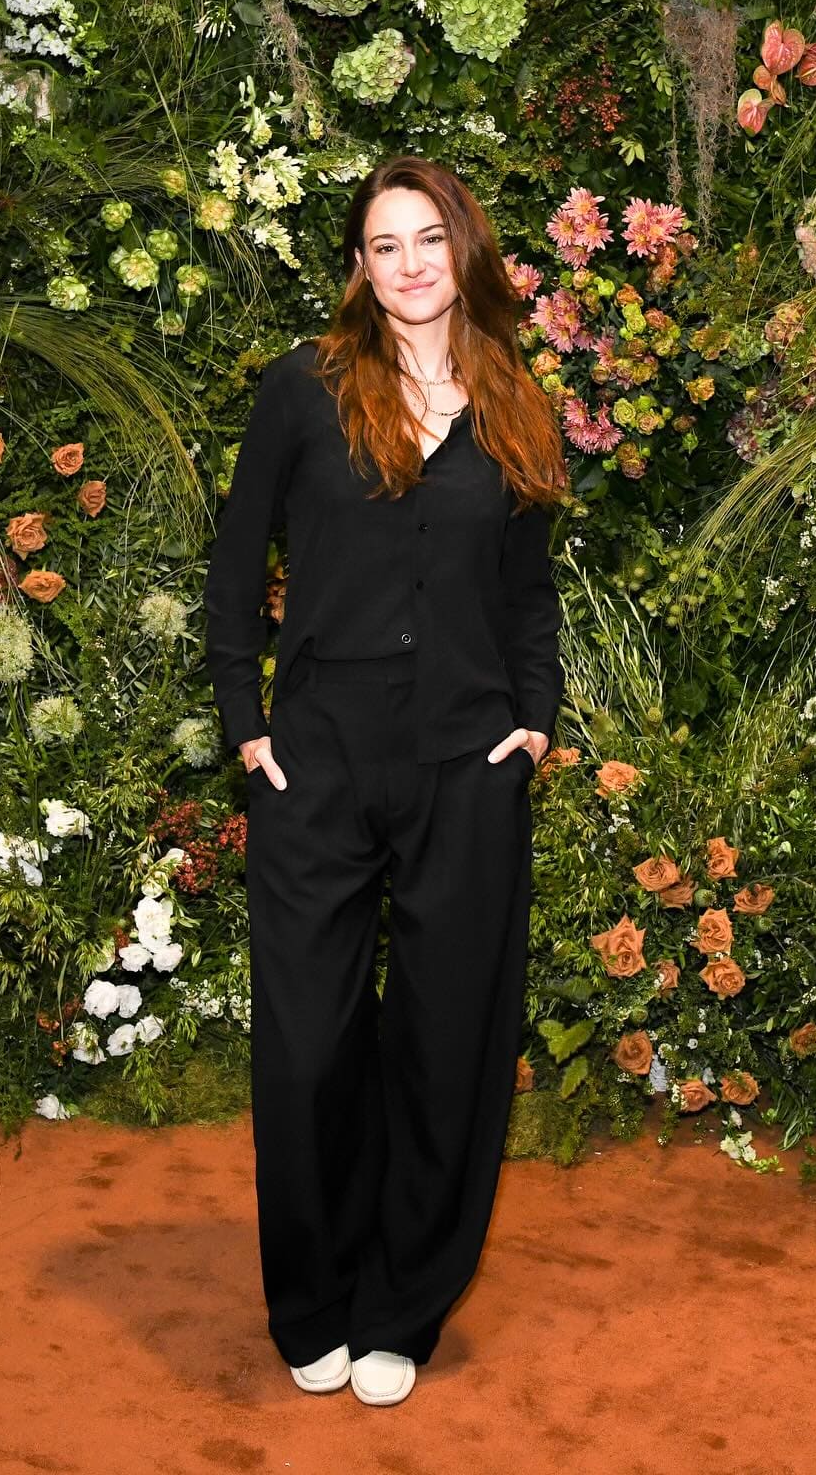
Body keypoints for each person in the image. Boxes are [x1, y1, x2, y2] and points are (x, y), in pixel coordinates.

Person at [202, 155, 566, 1406]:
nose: (409, 264)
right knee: (307, 1047)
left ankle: (402, 1304)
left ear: (464, 252)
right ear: (359, 266)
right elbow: (235, 563)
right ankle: (312, 1297)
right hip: (316, 762)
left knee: (446, 1042)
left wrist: (534, 725)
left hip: (467, 764)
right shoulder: (303, 391)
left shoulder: (515, 403)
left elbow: (528, 593)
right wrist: (246, 723)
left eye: (428, 239)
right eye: (384, 244)